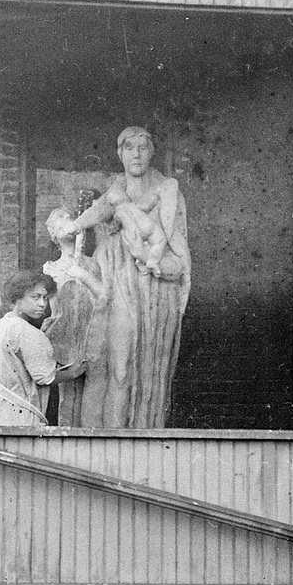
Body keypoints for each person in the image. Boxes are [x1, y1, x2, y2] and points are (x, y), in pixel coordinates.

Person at [54, 126, 191, 427]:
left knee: (143, 368)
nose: (137, 154)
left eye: (143, 147)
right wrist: (74, 227)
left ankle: (138, 434)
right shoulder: (114, 190)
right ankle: (104, 435)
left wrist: (150, 257)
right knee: (112, 366)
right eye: (130, 147)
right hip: (114, 283)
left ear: (152, 152)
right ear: (120, 153)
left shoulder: (167, 189)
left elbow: (176, 249)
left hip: (151, 286)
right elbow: (98, 210)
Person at [0, 271, 86, 427]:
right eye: (35, 297)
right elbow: (46, 378)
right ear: (18, 298)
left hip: (0, 408)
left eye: (45, 298)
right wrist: (74, 372)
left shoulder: (6, 321)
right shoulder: (28, 333)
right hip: (21, 414)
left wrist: (40, 335)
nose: (42, 304)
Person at [42, 208, 108, 426]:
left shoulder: (92, 264)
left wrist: (82, 275)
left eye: (70, 217)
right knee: (67, 398)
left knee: (93, 396)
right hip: (67, 339)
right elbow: (54, 311)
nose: (68, 221)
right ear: (53, 234)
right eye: (60, 219)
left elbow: (103, 296)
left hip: (92, 335)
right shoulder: (50, 269)